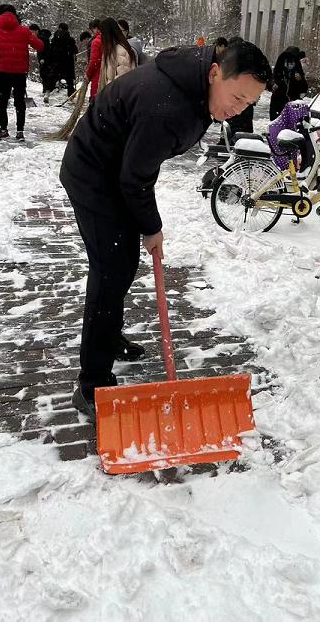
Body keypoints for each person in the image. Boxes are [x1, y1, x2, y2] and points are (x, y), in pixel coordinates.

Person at [59, 39, 272, 419]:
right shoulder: (170, 107)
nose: (239, 109)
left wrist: (143, 220)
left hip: (117, 170)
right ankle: (91, 383)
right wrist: (151, 227)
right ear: (215, 73)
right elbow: (135, 177)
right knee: (110, 270)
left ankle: (107, 336)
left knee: (121, 263)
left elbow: (137, 167)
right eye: (237, 97)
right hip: (94, 174)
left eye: (249, 103)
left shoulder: (195, 84)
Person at [0, 10, 44, 141]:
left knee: (1, 102)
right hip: (20, 73)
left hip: (3, 72)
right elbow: (39, 46)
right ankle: (20, 131)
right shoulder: (24, 31)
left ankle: (3, 129)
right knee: (19, 102)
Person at [269, 46, 308, 120]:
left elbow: (303, 87)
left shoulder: (297, 69)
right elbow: (273, 79)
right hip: (279, 98)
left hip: (292, 99)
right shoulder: (280, 67)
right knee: (277, 118)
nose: (290, 64)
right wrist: (274, 84)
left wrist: (300, 79)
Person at [50, 22, 78, 97]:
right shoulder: (70, 39)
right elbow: (75, 50)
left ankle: (49, 93)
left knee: (53, 78)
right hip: (68, 63)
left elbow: (51, 49)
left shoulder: (54, 38)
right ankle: (71, 94)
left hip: (56, 62)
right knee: (69, 80)